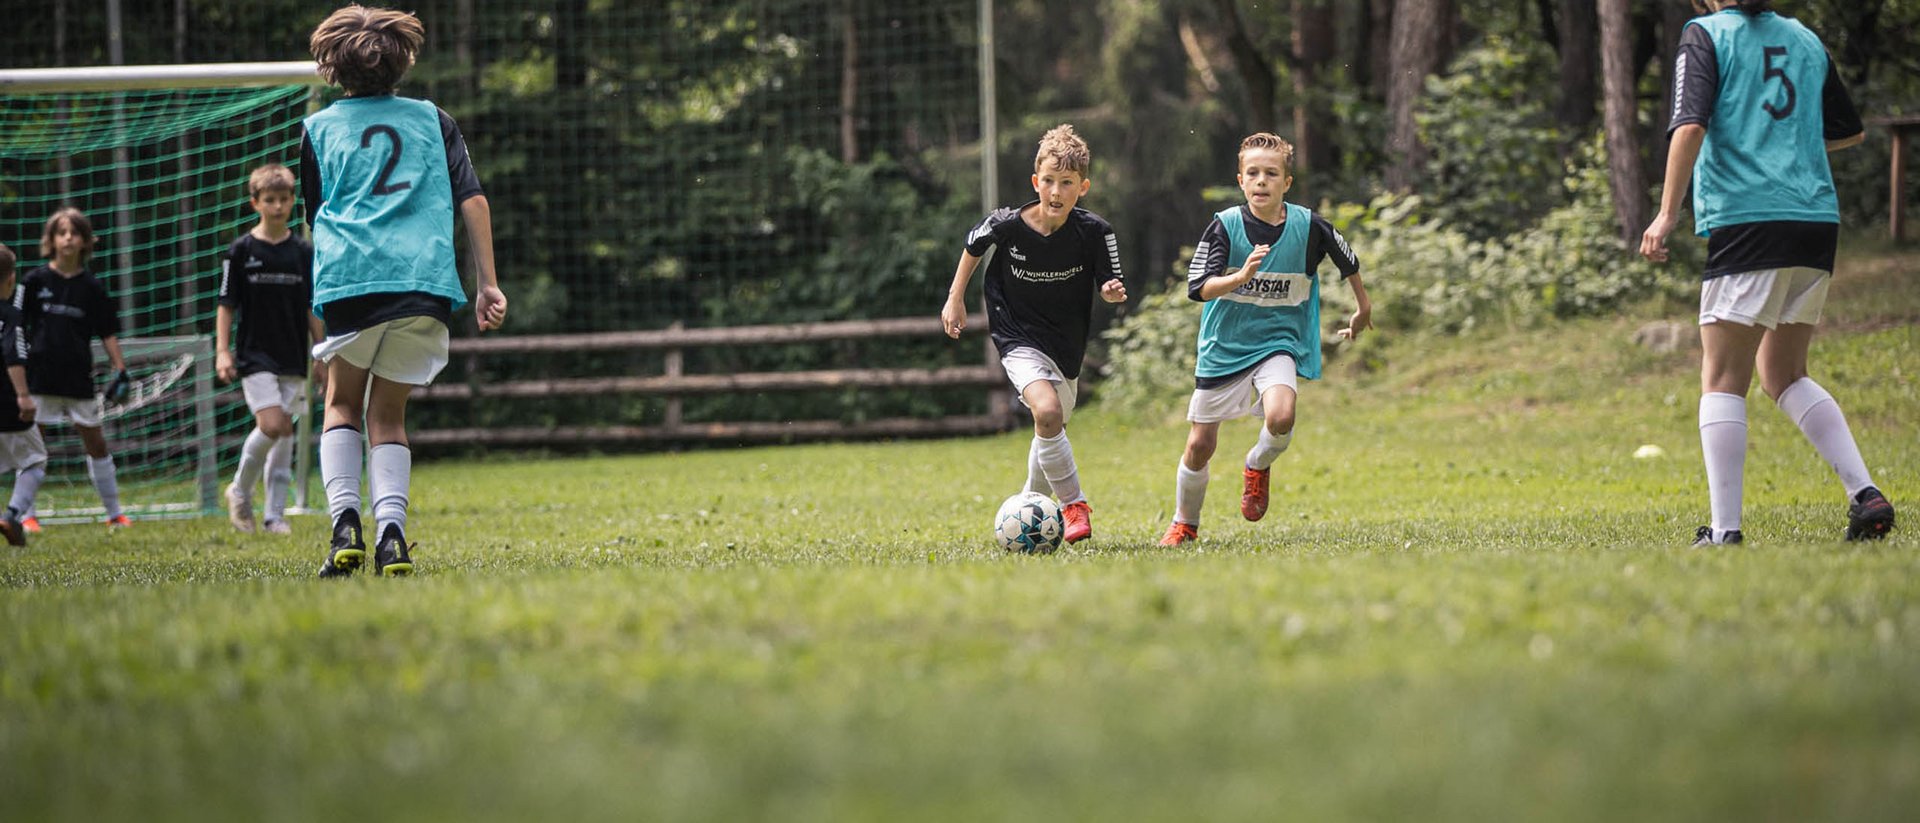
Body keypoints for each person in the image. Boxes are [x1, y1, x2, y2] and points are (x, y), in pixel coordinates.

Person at [1640, 0, 1892, 546]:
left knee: (1722, 378)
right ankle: (1865, 494)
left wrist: (1665, 213)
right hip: (1815, 219)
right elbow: (1848, 131)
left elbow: (1689, 127)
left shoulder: (1704, 35)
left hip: (1749, 219)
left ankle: (1725, 532)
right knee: (1784, 374)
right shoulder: (1805, 39)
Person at [304, 4, 506, 577]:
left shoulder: (318, 128)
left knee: (341, 403)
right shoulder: (433, 118)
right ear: (402, 60)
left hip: (352, 282)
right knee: (388, 416)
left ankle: (345, 526)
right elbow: (474, 199)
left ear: (334, 66)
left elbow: (317, 216)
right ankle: (392, 537)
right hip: (423, 282)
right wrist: (487, 283)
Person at [1157, 133, 1368, 546]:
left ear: (1286, 183)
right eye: (1253, 173)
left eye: (1271, 174)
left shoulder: (1309, 227)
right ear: (1240, 180)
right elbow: (1197, 287)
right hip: (1225, 345)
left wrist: (1364, 307)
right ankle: (1185, 522)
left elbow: (1348, 260)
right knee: (1200, 444)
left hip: (1278, 341)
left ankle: (1257, 465)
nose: (1261, 181)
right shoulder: (1225, 226)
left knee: (1282, 415)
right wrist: (1238, 278)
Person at [941, 124, 1127, 544]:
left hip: (1066, 345)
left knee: (1051, 424)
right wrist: (955, 299)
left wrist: (1111, 292)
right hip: (1016, 333)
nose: (1056, 192)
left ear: (1083, 187)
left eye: (1067, 183)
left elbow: (1110, 281)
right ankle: (1074, 504)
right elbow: (973, 248)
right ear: (1035, 182)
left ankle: (1028, 512)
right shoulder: (1006, 224)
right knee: (1046, 411)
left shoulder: (1096, 231)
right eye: (1048, 181)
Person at [217, 163, 323, 535]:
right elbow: (226, 304)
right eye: (269, 200)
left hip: (293, 355)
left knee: (286, 436)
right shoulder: (241, 251)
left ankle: (274, 515)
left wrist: (321, 352)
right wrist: (222, 351)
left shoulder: (303, 252)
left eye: (283, 199)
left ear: (293, 201)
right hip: (254, 356)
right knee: (272, 424)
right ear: (255, 203)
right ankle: (240, 491)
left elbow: (312, 307)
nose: (277, 206)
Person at [12, 208, 133, 532]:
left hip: (78, 378)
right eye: (61, 232)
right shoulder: (34, 281)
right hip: (40, 377)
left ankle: (115, 514)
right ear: (50, 240)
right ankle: (26, 516)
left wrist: (120, 368)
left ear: (84, 241)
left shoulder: (92, 287)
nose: (68, 238)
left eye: (74, 233)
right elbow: (17, 327)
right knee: (33, 448)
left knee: (96, 444)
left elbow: (107, 332)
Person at [0, 245, 49, 546]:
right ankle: (13, 515)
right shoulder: (10, 315)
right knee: (35, 460)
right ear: (9, 281)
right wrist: (23, 395)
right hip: (6, 400)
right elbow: (13, 353)